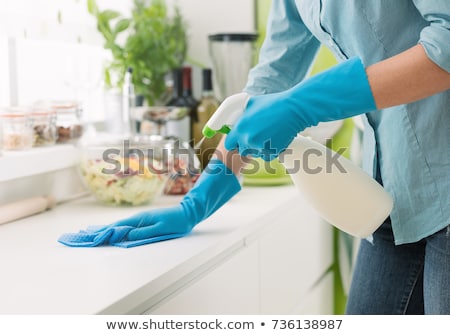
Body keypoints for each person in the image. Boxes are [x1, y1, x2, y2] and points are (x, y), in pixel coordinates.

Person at [59, 0, 450, 314]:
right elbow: (273, 75)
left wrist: (303, 104)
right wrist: (198, 202)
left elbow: (446, 42)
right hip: (395, 196)